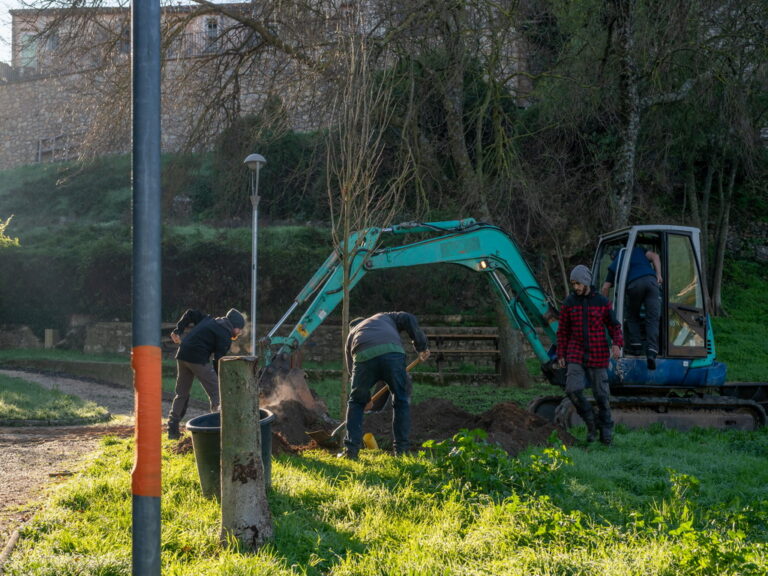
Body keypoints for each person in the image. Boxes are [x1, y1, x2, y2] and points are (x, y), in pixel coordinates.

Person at [340, 312, 431, 459]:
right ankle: (401, 452)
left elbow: (353, 373)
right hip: (393, 354)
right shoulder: (384, 317)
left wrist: (365, 398)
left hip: (364, 356)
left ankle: (351, 452)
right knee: (400, 400)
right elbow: (409, 318)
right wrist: (422, 347)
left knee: (355, 403)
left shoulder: (352, 336)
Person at [557, 265, 623, 445]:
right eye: (573, 283)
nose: (575, 287)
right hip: (575, 352)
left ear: (586, 281)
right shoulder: (569, 303)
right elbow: (562, 331)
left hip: (598, 353)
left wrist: (617, 343)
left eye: (578, 283)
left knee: (601, 395)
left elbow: (614, 325)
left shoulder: (601, 301)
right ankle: (592, 423)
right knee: (572, 390)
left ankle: (606, 428)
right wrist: (561, 353)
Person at [166, 308, 246, 440]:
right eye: (240, 329)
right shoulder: (225, 335)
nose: (240, 332)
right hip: (197, 359)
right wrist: (221, 379)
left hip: (182, 354)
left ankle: (172, 429)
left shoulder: (208, 320)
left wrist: (177, 330)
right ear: (234, 326)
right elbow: (218, 361)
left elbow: (190, 313)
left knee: (181, 393)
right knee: (217, 392)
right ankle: (218, 428)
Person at [600, 244, 662, 369]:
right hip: (651, 282)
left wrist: (605, 305)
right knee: (652, 318)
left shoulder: (616, 262)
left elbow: (605, 287)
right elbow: (655, 256)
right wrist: (659, 275)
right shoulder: (639, 250)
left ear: (613, 256)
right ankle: (652, 352)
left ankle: (636, 346)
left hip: (635, 285)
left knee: (632, 315)